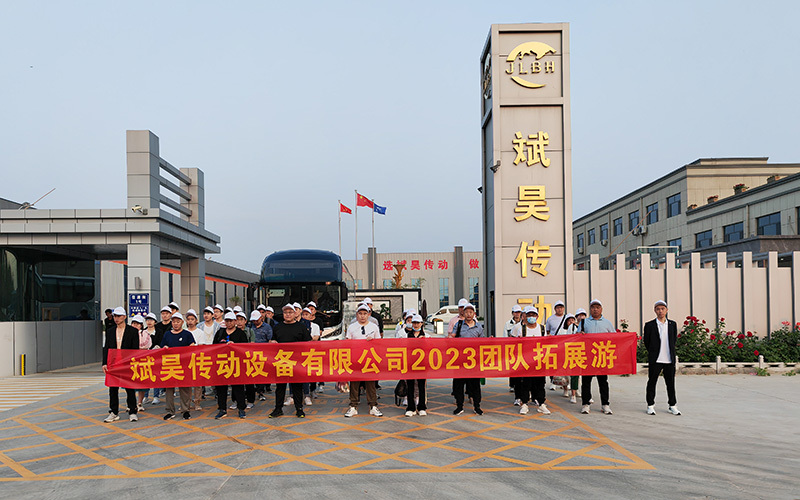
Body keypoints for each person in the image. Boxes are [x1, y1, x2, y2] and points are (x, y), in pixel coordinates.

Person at [269, 304, 312, 418]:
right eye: (285, 313)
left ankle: (299, 408)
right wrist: (272, 342)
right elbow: (273, 340)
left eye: (290, 312)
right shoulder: (277, 327)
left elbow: (309, 343)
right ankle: (278, 409)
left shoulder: (301, 327)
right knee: (280, 387)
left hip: (296, 362)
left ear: (295, 314)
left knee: (297, 387)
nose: (288, 315)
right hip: (281, 361)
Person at [343, 304, 383, 418]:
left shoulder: (374, 327)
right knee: (354, 383)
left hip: (370, 359)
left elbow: (379, 343)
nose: (362, 316)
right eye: (360, 313)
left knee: (370, 383)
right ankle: (353, 406)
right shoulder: (352, 327)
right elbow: (348, 342)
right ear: (357, 315)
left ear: (369, 314)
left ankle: (373, 406)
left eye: (365, 313)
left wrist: (373, 341)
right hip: (355, 359)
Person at [510, 306, 550, 415]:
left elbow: (546, 344)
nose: (531, 317)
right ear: (525, 316)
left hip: (538, 361)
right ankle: (524, 404)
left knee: (540, 384)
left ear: (537, 316)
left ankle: (541, 404)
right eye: (529, 315)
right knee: (525, 384)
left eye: (533, 315)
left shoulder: (542, 329)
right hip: (525, 361)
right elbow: (512, 342)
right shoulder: (520, 329)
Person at [102, 307, 140, 423]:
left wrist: (133, 363)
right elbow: (106, 348)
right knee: (113, 389)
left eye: (118, 316)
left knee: (129, 388)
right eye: (115, 316)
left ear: (124, 317)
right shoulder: (110, 331)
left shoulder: (132, 331)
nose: (116, 318)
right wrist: (104, 362)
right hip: (113, 363)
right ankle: (114, 412)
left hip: (127, 364)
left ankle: (132, 411)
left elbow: (135, 349)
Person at [643, 300, 681, 416]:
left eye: (662, 309)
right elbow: (647, 342)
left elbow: (673, 340)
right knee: (652, 382)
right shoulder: (649, 325)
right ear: (655, 310)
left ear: (666, 310)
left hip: (669, 359)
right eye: (658, 309)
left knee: (670, 384)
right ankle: (650, 405)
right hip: (656, 359)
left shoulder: (672, 324)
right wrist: (653, 352)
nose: (660, 311)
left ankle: (672, 405)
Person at [579, 299, 615, 415]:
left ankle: (605, 404)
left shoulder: (607, 323)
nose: (595, 309)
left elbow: (615, 338)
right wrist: (581, 335)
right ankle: (585, 404)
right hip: (587, 357)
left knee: (603, 382)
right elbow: (577, 337)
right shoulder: (584, 322)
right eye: (593, 307)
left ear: (601, 309)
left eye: (597, 307)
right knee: (586, 382)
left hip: (601, 356)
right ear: (590, 309)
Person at [449, 303, 485, 415]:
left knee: (475, 385)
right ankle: (459, 406)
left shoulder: (478, 326)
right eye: (466, 312)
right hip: (460, 360)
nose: (468, 314)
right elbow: (452, 337)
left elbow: (483, 341)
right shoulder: (459, 325)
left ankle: (477, 406)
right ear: (463, 313)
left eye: (470, 312)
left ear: (474, 314)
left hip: (474, 361)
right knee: (459, 384)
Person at [213, 312, 249, 419]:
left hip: (236, 364)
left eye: (231, 321)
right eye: (227, 321)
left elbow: (245, 348)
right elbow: (213, 346)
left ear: (235, 322)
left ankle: (241, 409)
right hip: (222, 364)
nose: (229, 323)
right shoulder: (220, 333)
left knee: (238, 388)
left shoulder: (240, 333)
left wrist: (235, 346)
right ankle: (222, 409)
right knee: (221, 388)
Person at [160, 312, 195, 420]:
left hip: (183, 366)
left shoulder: (187, 334)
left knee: (184, 389)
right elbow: (162, 347)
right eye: (174, 322)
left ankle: (185, 410)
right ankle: (170, 411)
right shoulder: (167, 334)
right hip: (170, 365)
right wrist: (165, 347)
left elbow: (193, 347)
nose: (175, 324)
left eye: (178, 322)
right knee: (169, 390)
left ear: (182, 322)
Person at [404, 314, 428, 417]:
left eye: (418, 323)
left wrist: (425, 341)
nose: (416, 325)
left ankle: (422, 407)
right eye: (414, 323)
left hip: (422, 365)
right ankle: (411, 407)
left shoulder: (426, 335)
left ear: (421, 324)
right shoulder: (408, 335)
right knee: (410, 386)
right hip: (410, 364)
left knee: (421, 386)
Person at [183, 309, 205, 411]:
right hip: (186, 360)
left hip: (197, 359)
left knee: (197, 383)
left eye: (192, 319)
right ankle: (186, 403)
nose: (190, 321)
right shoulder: (184, 332)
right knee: (186, 383)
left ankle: (197, 402)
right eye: (188, 319)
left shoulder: (200, 332)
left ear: (196, 320)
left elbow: (201, 346)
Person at [250, 310, 273, 401]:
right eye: (253, 320)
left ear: (261, 318)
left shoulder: (267, 327)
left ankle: (261, 392)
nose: (255, 322)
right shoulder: (250, 327)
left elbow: (270, 340)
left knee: (261, 373)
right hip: (251, 353)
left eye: (256, 320)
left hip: (263, 353)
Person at [130, 315, 152, 412]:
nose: (135, 325)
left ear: (141, 325)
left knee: (142, 383)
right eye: (134, 323)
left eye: (138, 324)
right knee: (131, 383)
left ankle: (139, 402)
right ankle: (131, 403)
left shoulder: (145, 333)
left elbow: (147, 345)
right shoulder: (128, 333)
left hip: (143, 361)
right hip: (131, 361)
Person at [560, 313, 580, 403]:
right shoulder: (564, 330)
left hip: (578, 353)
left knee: (576, 375)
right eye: (569, 320)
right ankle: (566, 389)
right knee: (566, 374)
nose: (571, 322)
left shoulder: (579, 327)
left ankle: (575, 391)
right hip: (566, 353)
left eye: (572, 320)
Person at [504, 304, 523, 392]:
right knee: (513, 367)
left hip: (522, 349)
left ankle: (519, 384)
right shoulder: (508, 324)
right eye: (515, 312)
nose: (517, 314)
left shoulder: (523, 324)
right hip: (512, 348)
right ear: (512, 313)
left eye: (519, 312)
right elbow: (505, 336)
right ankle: (512, 385)